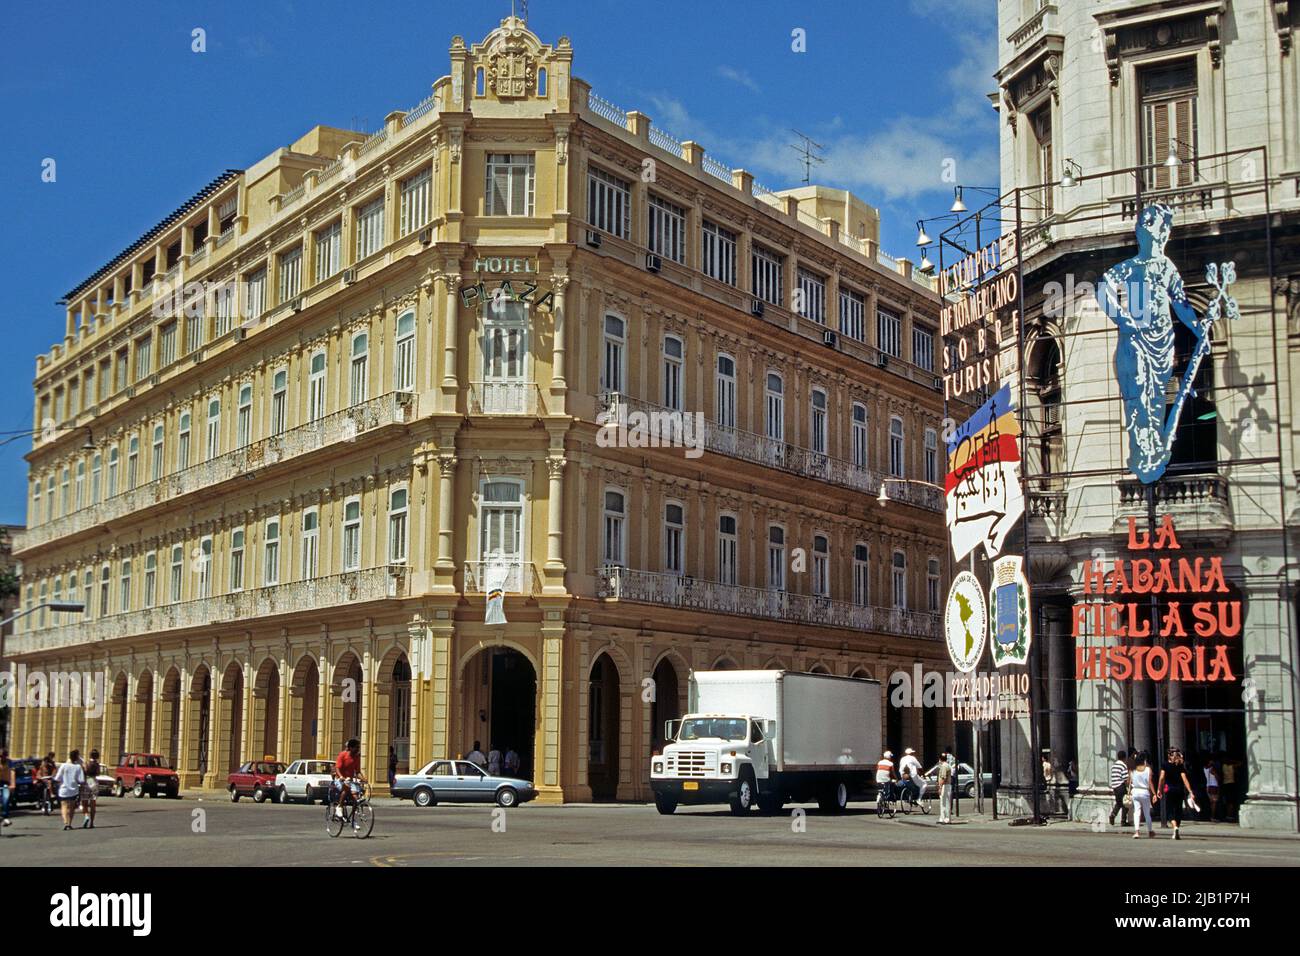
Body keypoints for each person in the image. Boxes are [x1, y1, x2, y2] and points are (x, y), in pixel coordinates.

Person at [1156, 748, 1195, 840]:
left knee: (1169, 810)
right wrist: (1190, 791)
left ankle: (1174, 827)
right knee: (1178, 810)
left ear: (1168, 755)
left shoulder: (1165, 765)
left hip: (1169, 790)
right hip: (1180, 790)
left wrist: (1159, 789)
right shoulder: (1180, 765)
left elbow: (1161, 778)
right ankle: (1177, 828)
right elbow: (1184, 779)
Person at [332, 737, 366, 820]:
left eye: (358, 747)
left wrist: (363, 779)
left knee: (356, 799)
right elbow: (337, 768)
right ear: (351, 748)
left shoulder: (356, 757)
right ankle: (339, 807)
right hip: (339, 780)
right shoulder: (343, 755)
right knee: (346, 787)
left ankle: (353, 820)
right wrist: (341, 777)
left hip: (349, 780)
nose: (358, 749)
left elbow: (357, 771)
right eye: (356, 747)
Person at [54, 751, 86, 831]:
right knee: (72, 807)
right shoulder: (78, 767)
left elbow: (57, 778)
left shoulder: (63, 766)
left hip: (64, 789)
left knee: (64, 806)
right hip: (73, 789)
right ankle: (69, 823)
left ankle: (65, 822)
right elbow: (81, 780)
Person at [1130, 751, 1155, 839]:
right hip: (1145, 792)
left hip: (1135, 791)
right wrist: (1154, 793)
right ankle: (1150, 831)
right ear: (1144, 760)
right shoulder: (1148, 769)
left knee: (1136, 812)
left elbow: (1129, 781)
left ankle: (1137, 832)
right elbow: (1150, 782)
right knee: (1147, 813)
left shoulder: (1132, 769)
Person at [1108, 749, 1130, 828]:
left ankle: (1113, 815)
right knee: (1126, 803)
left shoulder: (1114, 765)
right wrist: (1129, 787)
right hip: (1121, 786)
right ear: (1124, 757)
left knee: (1119, 803)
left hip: (1115, 786)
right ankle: (1123, 821)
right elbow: (1125, 779)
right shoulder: (1123, 765)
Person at [81, 749, 101, 829]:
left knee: (84, 802)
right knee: (93, 803)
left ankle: (86, 815)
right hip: (94, 781)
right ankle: (92, 823)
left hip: (87, 780)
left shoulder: (86, 763)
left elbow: (84, 771)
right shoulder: (97, 764)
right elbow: (98, 773)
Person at [936, 753, 953, 824]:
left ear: (940, 759)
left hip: (945, 785)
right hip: (946, 785)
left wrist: (940, 787)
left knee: (945, 802)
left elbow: (943, 778)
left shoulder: (944, 766)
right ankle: (942, 818)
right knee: (943, 802)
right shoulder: (947, 765)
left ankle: (946, 819)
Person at [1203, 757, 1220, 822]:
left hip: (1207, 786)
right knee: (1214, 803)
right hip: (1214, 786)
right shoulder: (1212, 769)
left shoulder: (1204, 769)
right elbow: (1217, 778)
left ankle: (1209, 816)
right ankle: (1212, 816)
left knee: (1210, 802)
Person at [1, 749, 13, 828]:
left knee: (5, 799)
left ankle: (5, 818)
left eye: (2, 756)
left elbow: (12, 773)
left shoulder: (9, 762)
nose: (0, 758)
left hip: (5, 783)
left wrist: (13, 784)